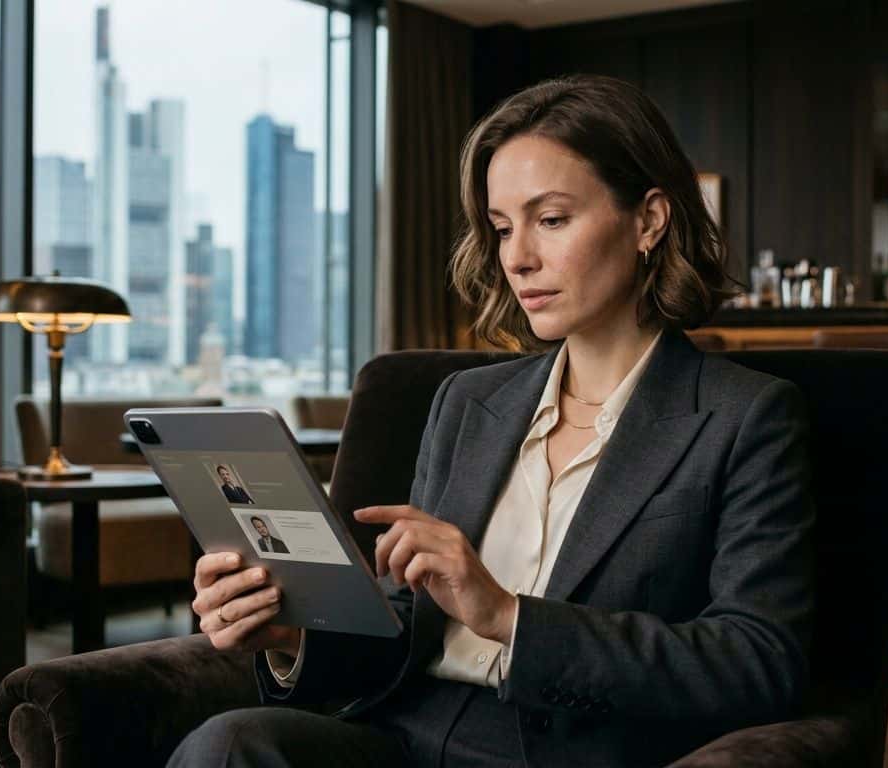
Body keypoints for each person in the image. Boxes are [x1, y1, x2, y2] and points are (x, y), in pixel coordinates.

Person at [171, 75, 815, 768]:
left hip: (569, 747)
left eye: (552, 219)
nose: (517, 257)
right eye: (503, 227)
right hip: (406, 732)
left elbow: (758, 660)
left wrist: (508, 616)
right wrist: (290, 633)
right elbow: (410, 621)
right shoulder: (466, 402)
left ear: (649, 220)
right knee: (231, 743)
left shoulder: (746, 416)